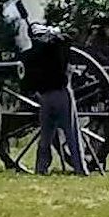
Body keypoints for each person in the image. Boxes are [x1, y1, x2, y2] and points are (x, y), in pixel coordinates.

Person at [19, 23, 89, 176]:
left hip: (44, 97)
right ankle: (80, 168)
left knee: (45, 136)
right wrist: (54, 32)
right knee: (72, 134)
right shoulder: (57, 46)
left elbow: (26, 81)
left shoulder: (30, 54)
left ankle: (41, 168)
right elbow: (69, 37)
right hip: (61, 94)